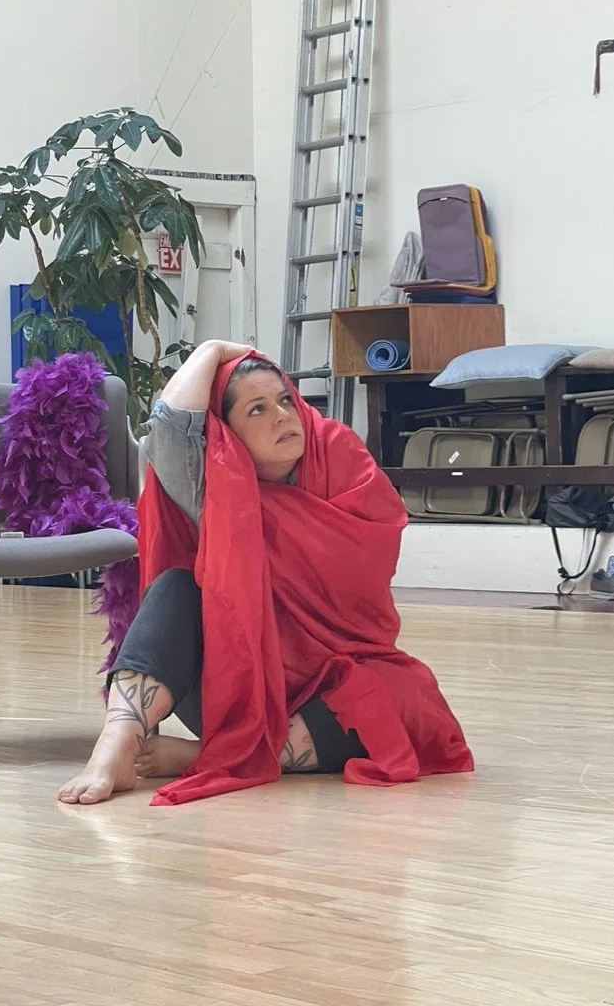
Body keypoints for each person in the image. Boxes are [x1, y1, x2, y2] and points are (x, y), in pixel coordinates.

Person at [59, 340, 473, 807]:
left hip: (324, 684)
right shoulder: (210, 486)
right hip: (236, 682)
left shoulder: (339, 457)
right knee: (177, 586)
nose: (282, 416)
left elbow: (368, 570)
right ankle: (116, 743)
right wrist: (214, 349)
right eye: (257, 409)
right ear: (226, 433)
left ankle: (211, 756)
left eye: (285, 400)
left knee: (408, 698)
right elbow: (170, 424)